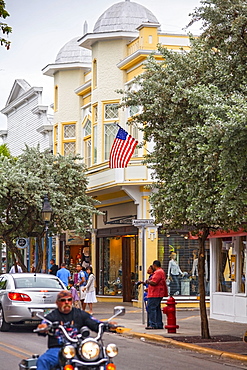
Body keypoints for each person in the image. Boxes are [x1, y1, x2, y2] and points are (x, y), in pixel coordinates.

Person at [36, 290, 114, 370]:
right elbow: (44, 324)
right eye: (63, 300)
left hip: (80, 348)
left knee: (104, 360)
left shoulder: (80, 313)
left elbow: (94, 322)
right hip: (58, 349)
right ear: (57, 302)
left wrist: (107, 325)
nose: (66, 302)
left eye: (69, 300)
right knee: (43, 360)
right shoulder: (52, 316)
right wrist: (43, 327)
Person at [145, 260, 167, 330]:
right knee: (157, 308)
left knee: (151, 308)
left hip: (155, 293)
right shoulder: (160, 272)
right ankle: (158, 324)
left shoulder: (158, 272)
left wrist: (148, 281)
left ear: (155, 265)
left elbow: (154, 282)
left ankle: (153, 324)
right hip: (157, 293)